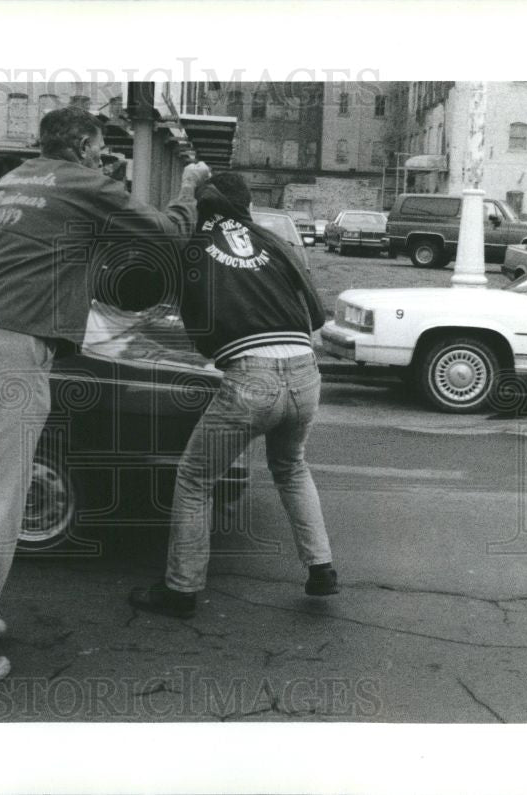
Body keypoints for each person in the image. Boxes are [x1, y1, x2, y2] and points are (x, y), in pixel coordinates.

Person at [0, 106, 211, 697]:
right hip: (11, 344)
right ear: (79, 145)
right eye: (100, 150)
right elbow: (168, 233)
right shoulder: (80, 181)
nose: (103, 159)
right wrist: (187, 189)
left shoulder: (12, 181)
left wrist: (107, 193)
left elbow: (54, 243)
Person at [128, 172, 338, 620]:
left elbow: (185, 322)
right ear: (246, 205)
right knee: (291, 467)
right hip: (305, 373)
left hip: (250, 378)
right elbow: (317, 313)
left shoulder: (191, 248)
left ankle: (181, 589)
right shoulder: (272, 239)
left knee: (194, 480)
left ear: (202, 205)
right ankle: (321, 567)